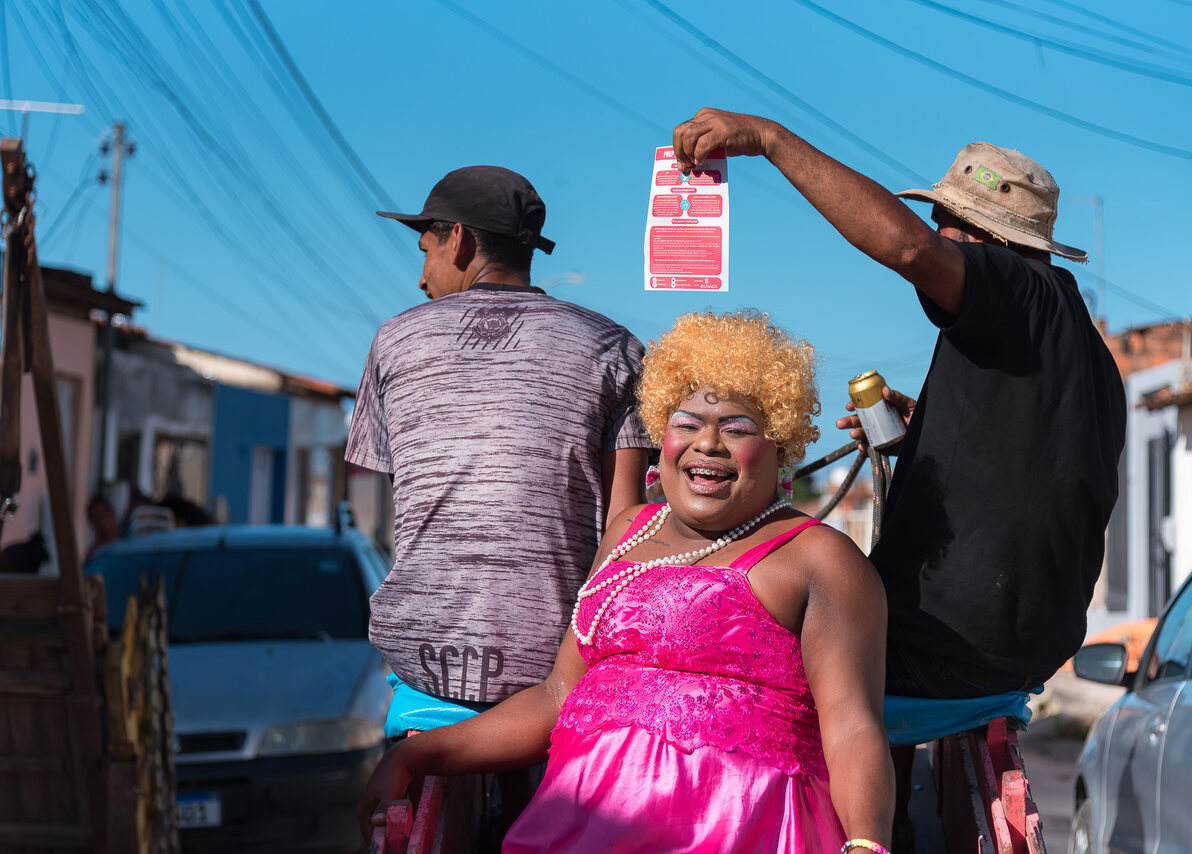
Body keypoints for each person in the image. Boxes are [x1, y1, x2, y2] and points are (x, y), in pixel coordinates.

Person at [672, 110, 1126, 848]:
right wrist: (921, 428)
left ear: (980, 242)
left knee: (726, 649)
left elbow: (905, 247)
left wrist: (769, 139)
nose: (938, 239)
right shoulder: (1070, 344)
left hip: (955, 641)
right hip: (1013, 636)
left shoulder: (1018, 292)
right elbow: (1029, 465)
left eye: (948, 225)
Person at [357, 310, 894, 853]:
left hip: (744, 833)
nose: (707, 443)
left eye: (737, 429)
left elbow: (852, 729)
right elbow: (555, 697)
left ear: (779, 446)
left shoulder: (821, 558)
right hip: (576, 830)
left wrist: (867, 844)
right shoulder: (626, 530)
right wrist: (414, 754)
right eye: (686, 422)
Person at [346, 165, 651, 845]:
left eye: (423, 250)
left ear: (456, 240)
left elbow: (395, 494)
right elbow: (624, 527)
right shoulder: (615, 347)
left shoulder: (395, 340)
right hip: (560, 667)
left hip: (425, 660)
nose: (421, 276)